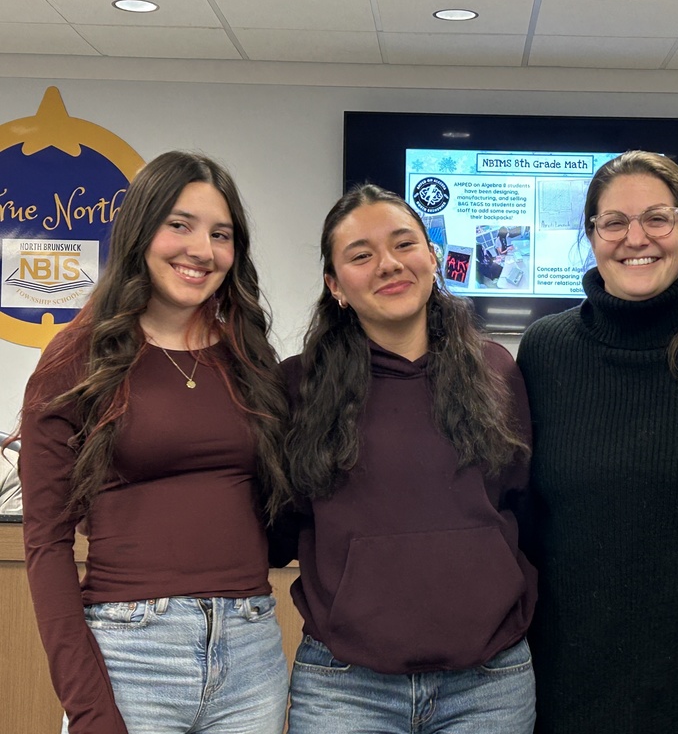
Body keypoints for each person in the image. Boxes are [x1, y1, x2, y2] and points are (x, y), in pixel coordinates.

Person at [18, 151, 291, 734]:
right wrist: (89, 707)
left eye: (221, 234)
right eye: (180, 224)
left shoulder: (250, 358)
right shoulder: (74, 360)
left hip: (250, 649)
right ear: (141, 231)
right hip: (129, 654)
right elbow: (45, 546)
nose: (202, 249)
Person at [516, 151, 678, 733]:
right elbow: (528, 522)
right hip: (571, 681)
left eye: (658, 218)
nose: (637, 238)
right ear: (592, 237)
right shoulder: (543, 352)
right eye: (614, 222)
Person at [277, 184, 536, 733]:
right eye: (361, 255)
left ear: (434, 256)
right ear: (335, 286)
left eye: (403, 244)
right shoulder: (297, 385)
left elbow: (521, 503)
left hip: (489, 684)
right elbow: (283, 519)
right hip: (344, 686)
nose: (388, 265)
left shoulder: (497, 373)